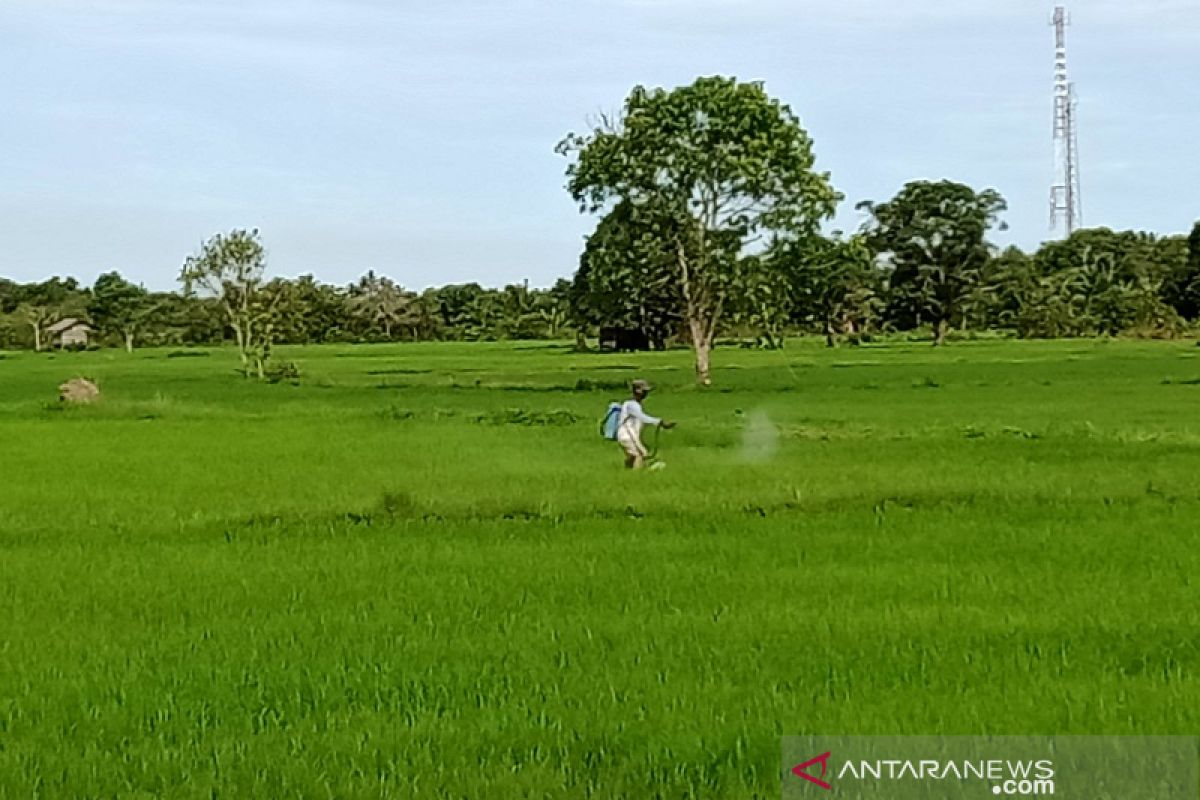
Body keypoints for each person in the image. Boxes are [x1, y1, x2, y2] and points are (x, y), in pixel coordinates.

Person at [617, 379, 675, 469]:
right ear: (637, 391)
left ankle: (626, 473)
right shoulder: (632, 405)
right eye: (644, 391)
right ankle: (636, 476)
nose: (646, 393)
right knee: (639, 455)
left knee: (632, 456)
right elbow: (643, 418)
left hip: (625, 435)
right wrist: (660, 422)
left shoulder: (630, 404)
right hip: (627, 435)